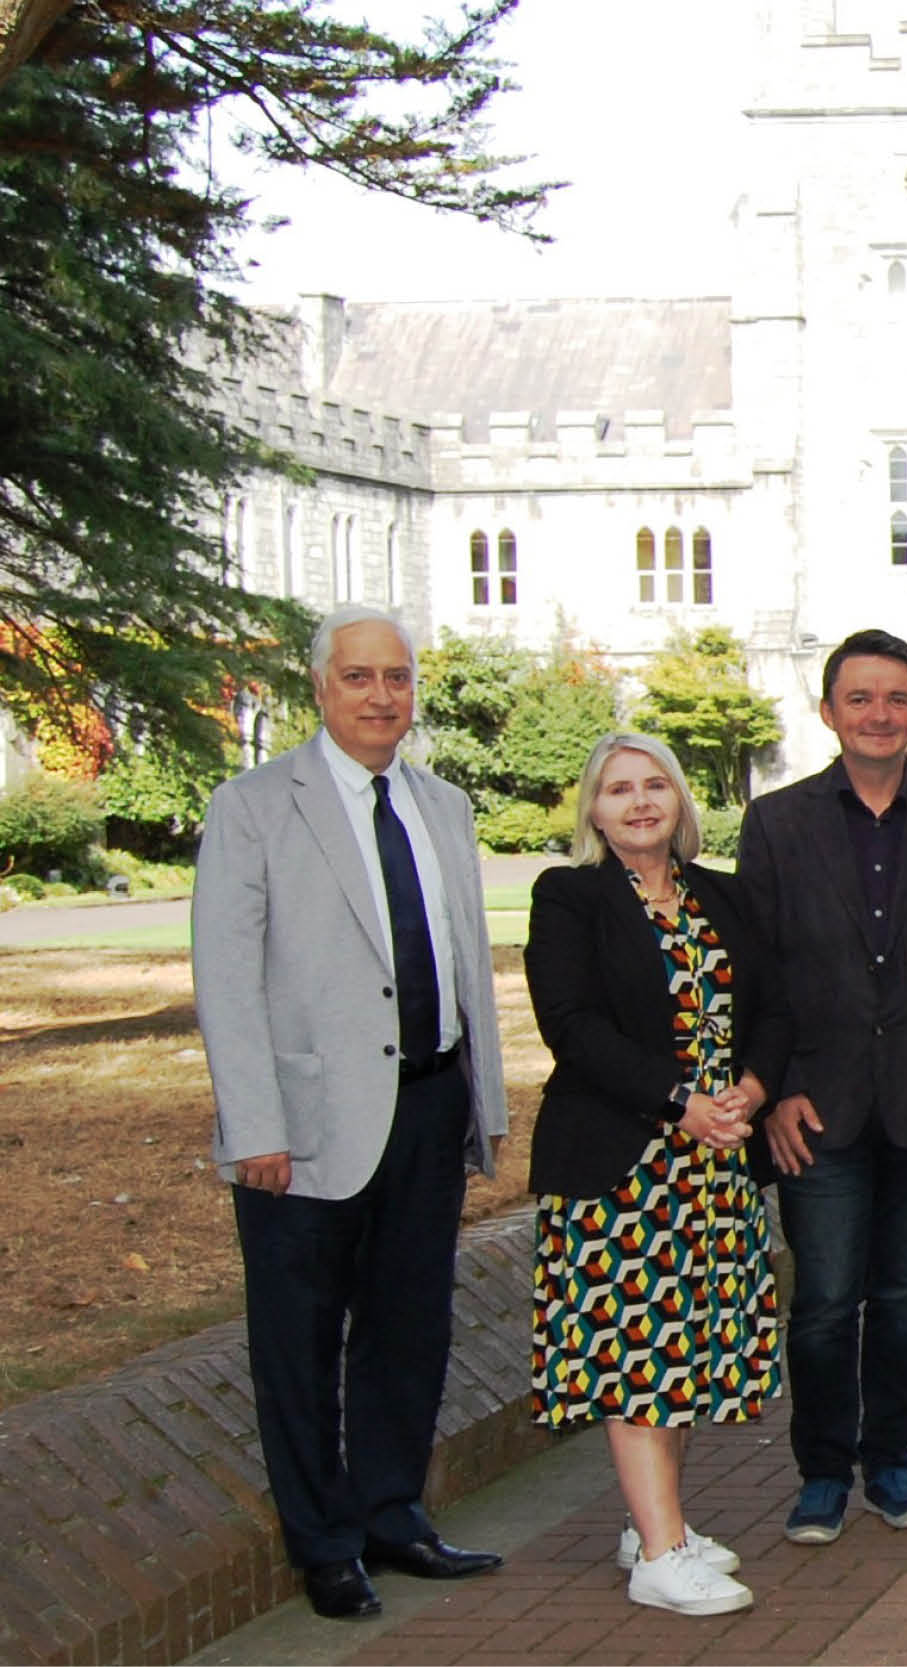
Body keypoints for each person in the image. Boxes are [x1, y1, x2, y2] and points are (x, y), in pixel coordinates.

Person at [192, 604, 510, 1620]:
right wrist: (254, 1125)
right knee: (300, 1340)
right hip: (304, 1126)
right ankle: (324, 1542)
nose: (382, 696)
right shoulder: (253, 806)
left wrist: (482, 1107)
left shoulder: (442, 805)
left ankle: (390, 1514)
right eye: (360, 676)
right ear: (320, 687)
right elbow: (226, 980)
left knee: (409, 1327)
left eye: (398, 677)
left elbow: (464, 962)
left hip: (428, 1105)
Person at [734, 627, 907, 1545]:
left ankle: (890, 1463)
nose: (880, 714)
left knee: (902, 1297)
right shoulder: (777, 823)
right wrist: (773, 1089)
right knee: (822, 1301)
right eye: (859, 698)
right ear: (828, 711)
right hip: (814, 1105)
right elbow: (755, 973)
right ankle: (822, 1472)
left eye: (897, 697)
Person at [525, 733, 782, 1614]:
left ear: (679, 799)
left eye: (654, 785)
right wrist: (681, 1104)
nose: (639, 802)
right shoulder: (570, 897)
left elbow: (775, 1009)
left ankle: (652, 1524)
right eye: (618, 788)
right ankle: (662, 1556)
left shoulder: (723, 896)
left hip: (713, 1167)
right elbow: (572, 1025)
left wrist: (750, 1090)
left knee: (684, 1350)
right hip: (621, 1167)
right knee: (636, 1354)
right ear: (593, 810)